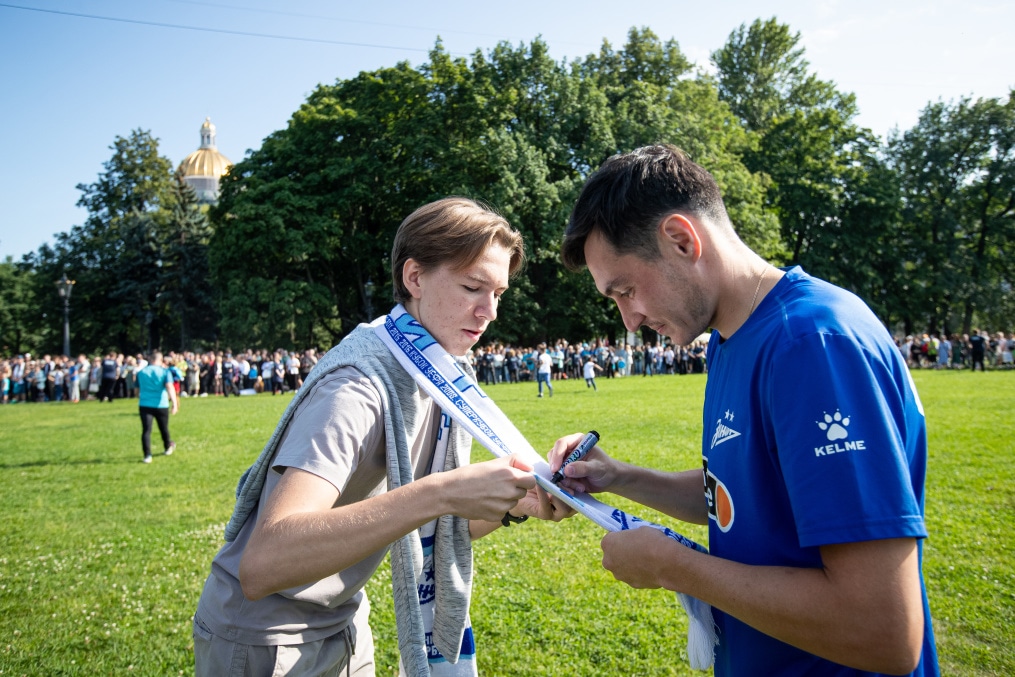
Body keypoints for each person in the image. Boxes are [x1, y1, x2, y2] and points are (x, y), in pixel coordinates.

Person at [550, 145, 938, 676]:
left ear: (683, 240)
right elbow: (746, 500)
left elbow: (884, 631)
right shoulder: (731, 340)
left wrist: (675, 567)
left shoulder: (812, 343)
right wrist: (617, 476)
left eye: (626, 290)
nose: (629, 322)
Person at [193, 197, 573, 677]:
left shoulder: (444, 372)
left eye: (499, 292)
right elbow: (264, 563)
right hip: (267, 640)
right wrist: (443, 492)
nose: (489, 311)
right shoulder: (355, 387)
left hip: (345, 620)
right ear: (414, 278)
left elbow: (429, 526)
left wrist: (523, 502)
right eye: (473, 287)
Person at [135, 351, 179, 464]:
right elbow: (169, 386)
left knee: (146, 430)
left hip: (145, 404)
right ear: (160, 360)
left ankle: (147, 455)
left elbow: (136, 390)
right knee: (164, 428)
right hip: (161, 404)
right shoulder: (164, 371)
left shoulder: (141, 372)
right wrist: (174, 403)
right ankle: (167, 447)